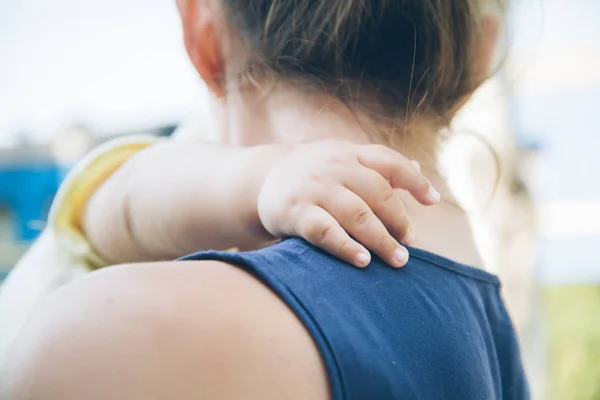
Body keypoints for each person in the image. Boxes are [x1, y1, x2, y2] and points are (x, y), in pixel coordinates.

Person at [0, 0, 529, 399]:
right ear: (484, 49)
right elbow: (120, 196)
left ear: (202, 34)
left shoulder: (110, 337)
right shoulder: (493, 346)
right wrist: (258, 177)